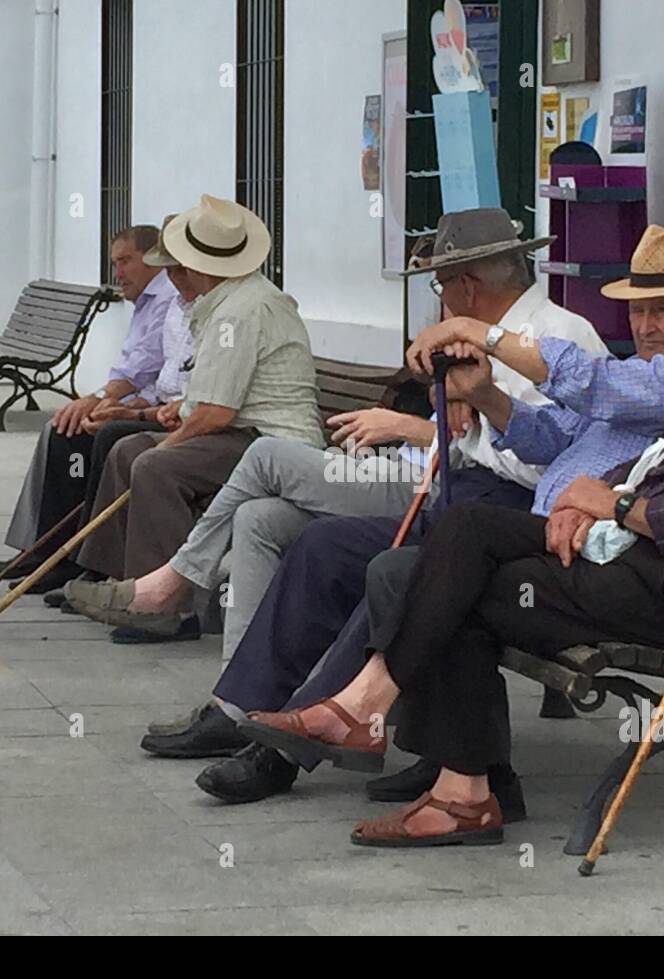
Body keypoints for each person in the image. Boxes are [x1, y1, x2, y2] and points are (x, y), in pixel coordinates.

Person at [244, 214, 664, 849]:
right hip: (621, 555)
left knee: (452, 572)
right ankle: (435, 768)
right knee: (458, 539)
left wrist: (613, 508)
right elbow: (648, 461)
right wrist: (590, 498)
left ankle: (406, 744)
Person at [166, 224, 664, 811]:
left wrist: (479, 337)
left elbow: (598, 388)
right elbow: (552, 435)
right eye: (638, 311)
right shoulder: (640, 370)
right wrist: (486, 395)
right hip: (519, 525)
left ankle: (300, 746)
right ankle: (277, 716)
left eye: (662, 311)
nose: (645, 325)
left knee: (408, 569)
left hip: (569, 547)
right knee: (328, 545)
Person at [64, 208, 602, 649]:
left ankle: (172, 584)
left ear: (466, 286)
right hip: (406, 469)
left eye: (439, 284)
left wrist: (427, 425)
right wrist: (454, 411)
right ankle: (237, 700)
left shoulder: (553, 335)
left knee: (264, 457)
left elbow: (540, 459)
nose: (438, 300)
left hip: (445, 490)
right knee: (258, 518)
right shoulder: (487, 336)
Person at [62, 195, 326, 640]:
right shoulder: (227, 302)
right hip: (243, 432)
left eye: (178, 268)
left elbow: (216, 413)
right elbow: (206, 403)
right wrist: (168, 418)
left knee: (155, 465)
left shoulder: (242, 309)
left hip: (273, 442)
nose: (172, 278)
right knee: (128, 448)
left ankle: (167, 609)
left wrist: (171, 439)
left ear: (200, 266)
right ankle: (118, 580)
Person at [0, 224, 193, 589]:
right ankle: (46, 550)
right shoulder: (170, 302)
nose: (118, 273)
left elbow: (149, 367)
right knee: (65, 427)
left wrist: (107, 400)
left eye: (125, 261)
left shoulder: (169, 300)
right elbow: (156, 371)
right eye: (115, 263)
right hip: (159, 404)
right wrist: (119, 401)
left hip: (178, 414)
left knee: (101, 433)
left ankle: (79, 556)